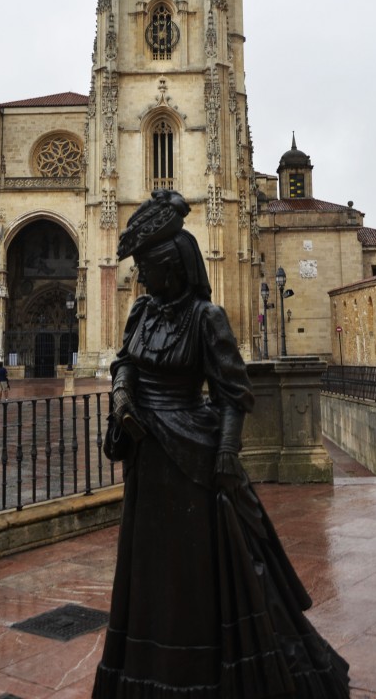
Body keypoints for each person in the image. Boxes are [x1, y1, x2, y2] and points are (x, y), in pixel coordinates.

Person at [92, 190, 350, 699]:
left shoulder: (206, 317)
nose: (141, 276)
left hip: (195, 457)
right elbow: (124, 361)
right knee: (152, 568)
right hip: (149, 460)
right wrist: (122, 394)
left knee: (195, 569)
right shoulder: (141, 312)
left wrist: (228, 454)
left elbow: (235, 393)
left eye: (149, 266)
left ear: (174, 265)